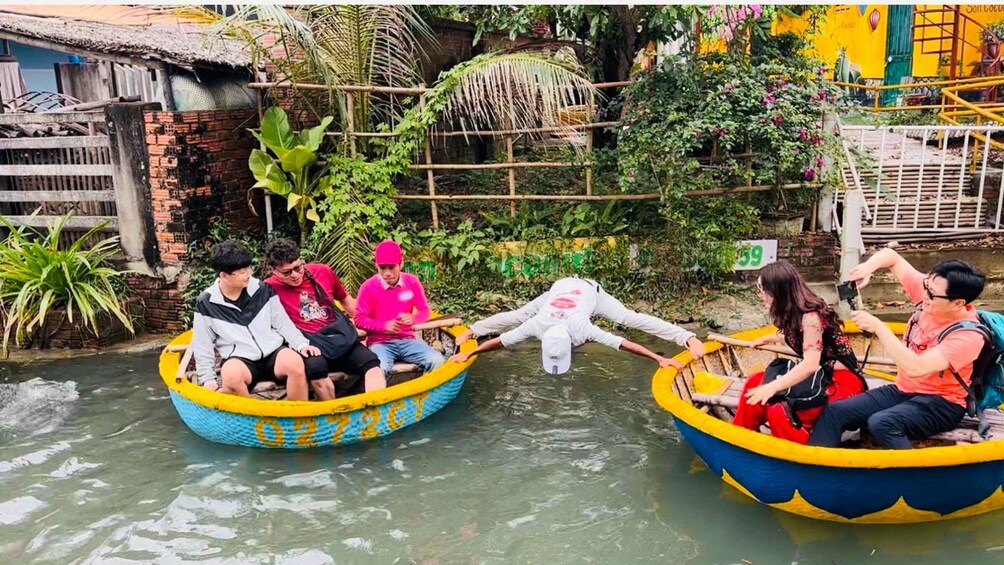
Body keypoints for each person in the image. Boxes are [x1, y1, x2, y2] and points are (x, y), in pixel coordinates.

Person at [808, 249, 986, 449]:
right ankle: (817, 472)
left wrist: (879, 328)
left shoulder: (968, 335)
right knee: (835, 412)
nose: (924, 294)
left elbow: (916, 367)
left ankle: (913, 477)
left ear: (958, 303)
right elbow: (891, 257)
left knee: (882, 423)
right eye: (926, 286)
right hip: (903, 389)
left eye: (931, 294)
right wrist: (868, 268)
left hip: (942, 403)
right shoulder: (933, 293)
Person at [732, 261, 867, 444]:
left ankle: (800, 453)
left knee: (779, 411)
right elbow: (797, 336)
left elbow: (810, 364)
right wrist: (767, 339)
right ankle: (740, 436)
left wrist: (773, 387)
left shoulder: (811, 317)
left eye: (762, 289)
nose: (760, 295)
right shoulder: (794, 312)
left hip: (842, 381)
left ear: (778, 291)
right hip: (819, 376)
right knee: (754, 383)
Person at [449, 276, 700, 373]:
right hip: (558, 292)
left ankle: (686, 336)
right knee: (520, 315)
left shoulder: (582, 327)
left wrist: (659, 359)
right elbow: (499, 342)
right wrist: (471, 349)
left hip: (591, 292)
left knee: (626, 318)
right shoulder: (537, 324)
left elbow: (625, 343)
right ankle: (474, 328)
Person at [191, 240, 320, 400]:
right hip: (240, 358)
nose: (249, 274)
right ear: (224, 276)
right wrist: (208, 379)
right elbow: (202, 346)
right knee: (231, 375)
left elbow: (283, 324)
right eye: (242, 271)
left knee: (295, 363)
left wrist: (300, 344)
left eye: (249, 268)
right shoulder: (206, 303)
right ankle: (250, 420)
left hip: (273, 351)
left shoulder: (262, 289)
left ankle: (297, 417)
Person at [263, 238, 387, 399]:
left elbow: (347, 301)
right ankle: (333, 416)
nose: (294, 275)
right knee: (318, 373)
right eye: (287, 273)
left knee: (372, 364)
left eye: (297, 268)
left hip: (338, 337)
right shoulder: (268, 288)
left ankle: (376, 408)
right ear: (274, 270)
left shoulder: (321, 271)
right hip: (309, 345)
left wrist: (372, 326)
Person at [354, 240, 446, 376]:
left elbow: (424, 310)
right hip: (379, 343)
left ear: (401, 263)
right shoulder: (368, 287)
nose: (387, 273)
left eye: (391, 267)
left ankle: (424, 393)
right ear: (376, 266)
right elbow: (359, 319)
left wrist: (414, 318)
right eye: (382, 268)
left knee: (437, 360)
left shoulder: (412, 281)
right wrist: (383, 326)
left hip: (407, 340)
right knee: (378, 370)